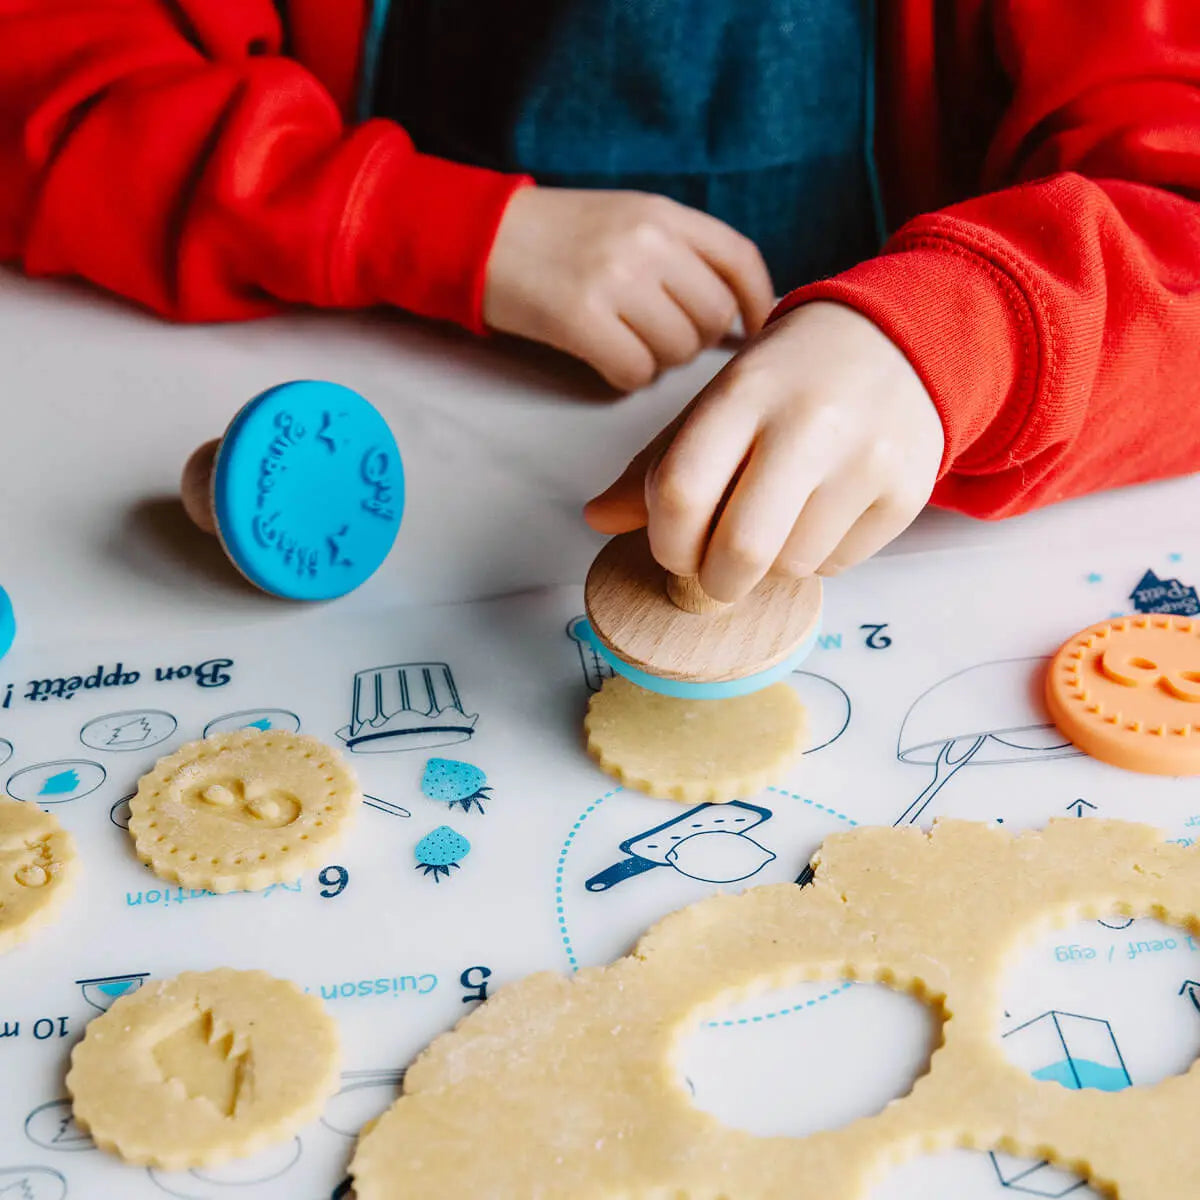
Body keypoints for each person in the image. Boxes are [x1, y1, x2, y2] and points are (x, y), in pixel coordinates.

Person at [3, 2, 1199, 603]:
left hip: (920, 515)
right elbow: (53, 81)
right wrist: (423, 223)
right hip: (421, 441)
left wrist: (957, 335)